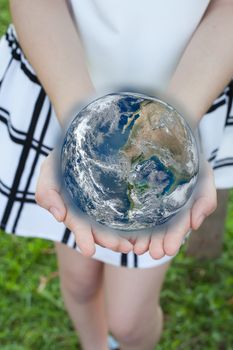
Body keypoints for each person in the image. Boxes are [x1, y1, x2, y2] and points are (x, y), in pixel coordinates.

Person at [0, 0, 232, 349]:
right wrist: (81, 127)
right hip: (68, 79)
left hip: (185, 90)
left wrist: (175, 127)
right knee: (79, 282)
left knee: (129, 321)